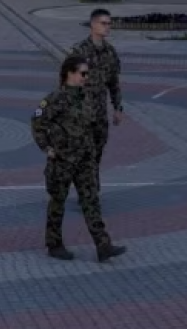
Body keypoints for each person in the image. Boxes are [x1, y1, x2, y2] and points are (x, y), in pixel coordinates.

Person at [31, 55, 127, 262]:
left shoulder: (87, 98)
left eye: (87, 73)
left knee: (91, 201)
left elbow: (94, 126)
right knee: (58, 202)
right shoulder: (55, 99)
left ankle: (103, 245)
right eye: (83, 73)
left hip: (84, 160)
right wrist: (47, 148)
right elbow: (38, 123)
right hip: (63, 160)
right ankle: (54, 244)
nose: (86, 77)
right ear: (70, 73)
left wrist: (94, 150)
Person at [68, 8, 125, 188]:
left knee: (97, 151)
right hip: (81, 113)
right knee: (85, 153)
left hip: (100, 114)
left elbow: (114, 83)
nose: (107, 27)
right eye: (103, 23)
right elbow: (67, 83)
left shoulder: (110, 52)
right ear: (93, 25)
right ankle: (89, 189)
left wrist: (117, 108)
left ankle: (89, 185)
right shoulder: (79, 51)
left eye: (109, 23)